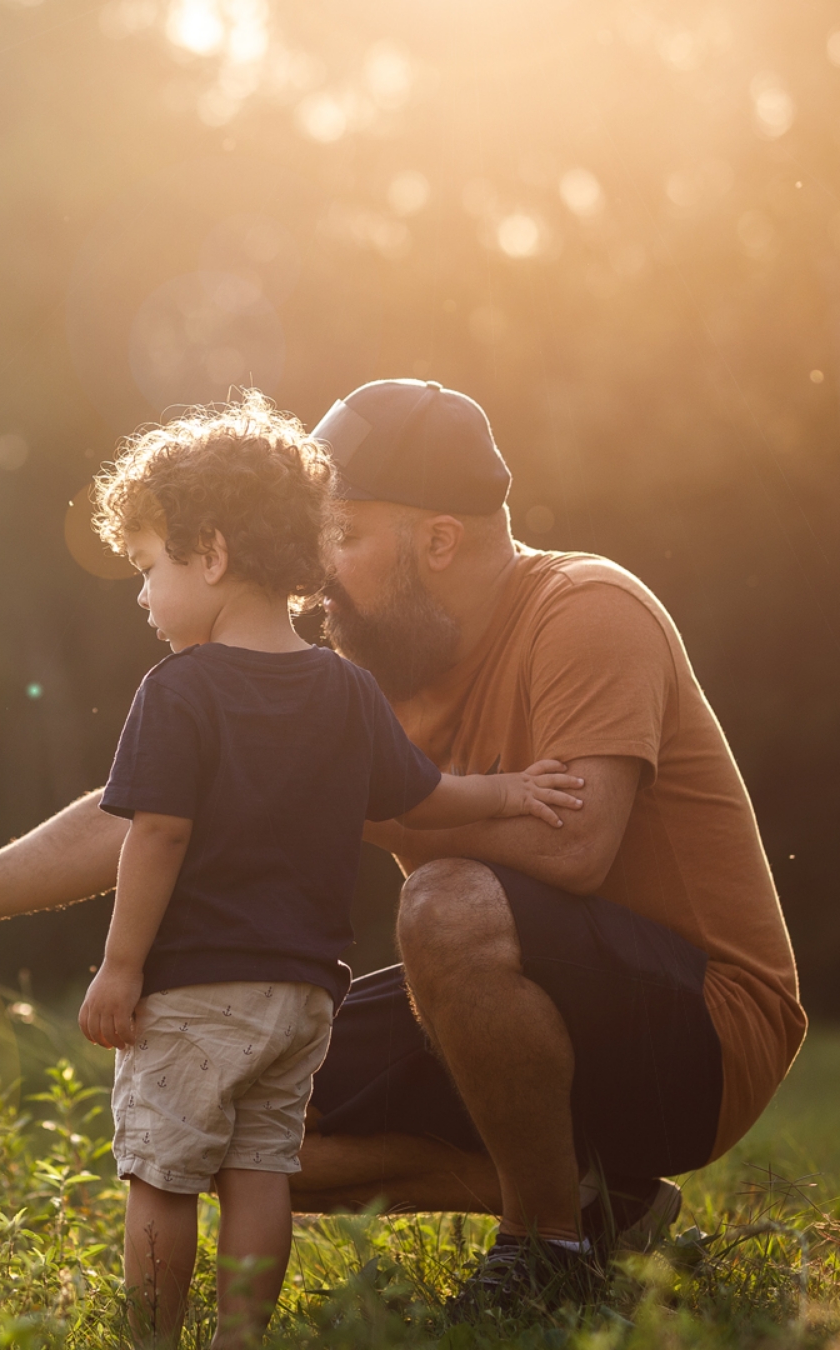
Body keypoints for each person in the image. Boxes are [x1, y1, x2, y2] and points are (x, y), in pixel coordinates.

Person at [0, 379, 804, 1317]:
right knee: (235, 1107)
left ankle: (549, 1249)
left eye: (346, 538)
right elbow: (140, 808)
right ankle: (600, 1199)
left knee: (444, 903)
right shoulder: (366, 675)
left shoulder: (586, 611)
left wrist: (344, 807)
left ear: (439, 542)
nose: (318, 573)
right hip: (506, 1003)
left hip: (703, 1035)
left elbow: (580, 850)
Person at [66, 396, 585, 1344]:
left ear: (213, 555)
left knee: (164, 1173)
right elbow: (423, 798)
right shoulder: (344, 688)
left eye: (149, 568)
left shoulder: (178, 690)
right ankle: (241, 1337)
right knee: (261, 1169)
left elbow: (158, 837)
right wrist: (513, 792)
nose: (143, 596)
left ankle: (151, 1339)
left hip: (193, 987)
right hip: (302, 994)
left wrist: (121, 967)